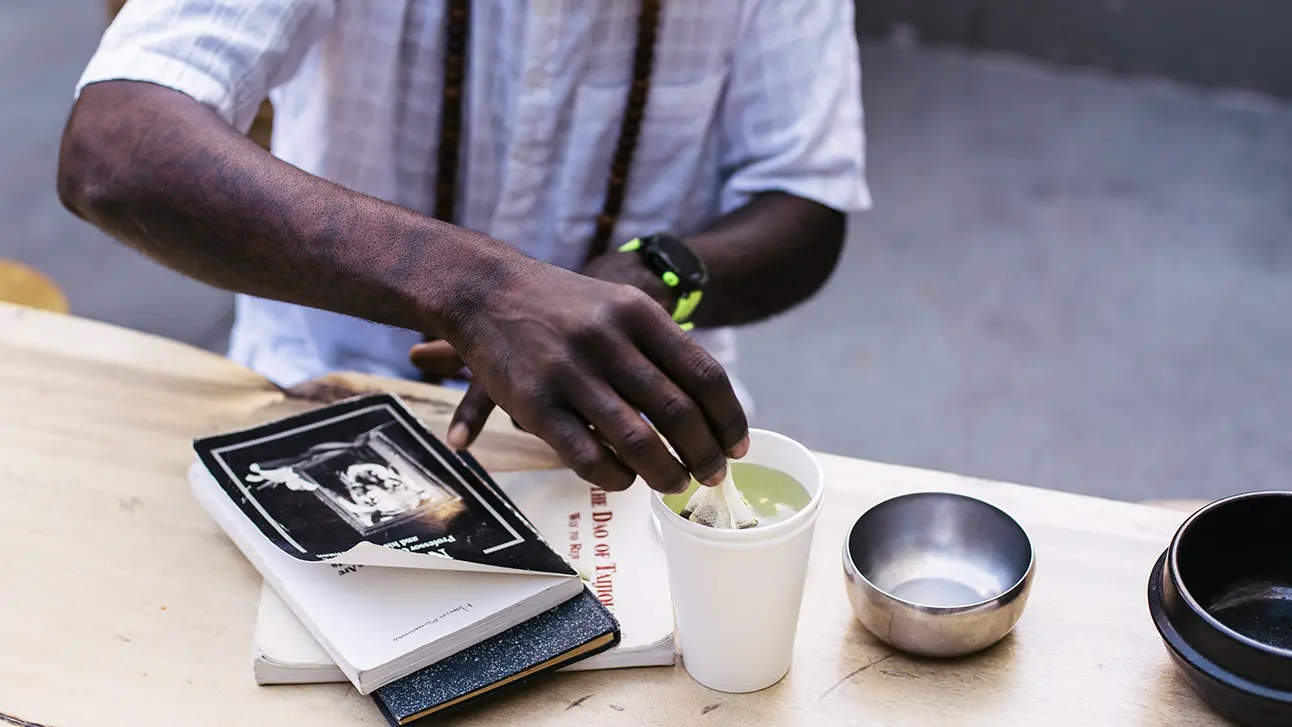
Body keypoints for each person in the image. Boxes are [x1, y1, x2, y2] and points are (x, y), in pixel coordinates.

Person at [57, 0, 871, 495]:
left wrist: (656, 273)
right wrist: (481, 291)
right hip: (314, 398)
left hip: (631, 433)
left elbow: (807, 202)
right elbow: (115, 148)